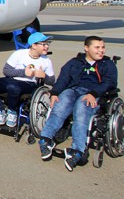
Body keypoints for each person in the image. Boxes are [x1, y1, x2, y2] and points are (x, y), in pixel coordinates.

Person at [39, 36, 118, 172]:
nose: (101, 51)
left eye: (103, 47)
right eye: (97, 47)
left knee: (81, 110)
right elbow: (63, 79)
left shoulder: (107, 64)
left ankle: (77, 150)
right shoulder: (75, 62)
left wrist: (93, 93)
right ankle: (45, 139)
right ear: (86, 48)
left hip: (93, 94)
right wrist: (55, 93)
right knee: (61, 105)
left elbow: (109, 83)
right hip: (73, 90)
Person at [0, 32, 55, 127]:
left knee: (13, 87)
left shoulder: (46, 61)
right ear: (34, 45)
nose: (47, 47)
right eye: (44, 44)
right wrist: (23, 72)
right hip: (12, 80)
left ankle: (12, 111)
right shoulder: (19, 54)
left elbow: (52, 81)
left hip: (29, 84)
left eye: (47, 44)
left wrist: (44, 76)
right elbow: (6, 71)